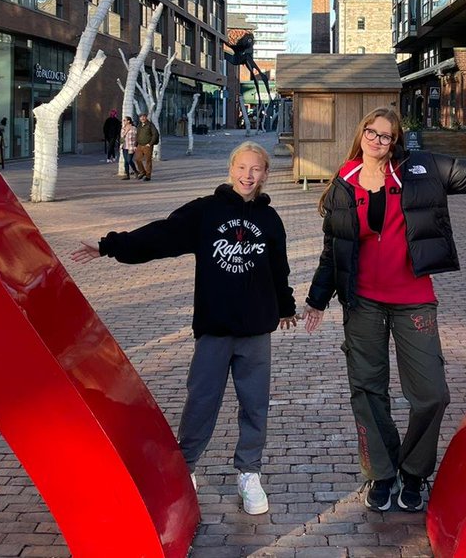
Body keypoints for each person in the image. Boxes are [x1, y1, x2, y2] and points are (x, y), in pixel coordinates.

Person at [303, 107, 466, 514]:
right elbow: (332, 249)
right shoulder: (344, 183)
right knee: (368, 392)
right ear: (361, 133)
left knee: (432, 395)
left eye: (386, 136)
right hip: (362, 302)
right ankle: (381, 474)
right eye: (371, 132)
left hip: (413, 300)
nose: (377, 140)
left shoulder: (421, 170)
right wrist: (317, 299)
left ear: (395, 142)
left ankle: (413, 471)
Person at [69, 142, 297, 515]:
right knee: (201, 400)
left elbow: (278, 268)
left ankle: (249, 472)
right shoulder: (205, 212)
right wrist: (110, 246)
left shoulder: (270, 220)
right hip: (214, 328)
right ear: (231, 168)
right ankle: (184, 467)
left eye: (256, 169)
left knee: (255, 404)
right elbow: (161, 235)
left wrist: (285, 306)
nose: (248, 175)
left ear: (265, 174)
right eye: (242, 167)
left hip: (256, 331)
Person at [134, 112, 160, 182]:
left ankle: (148, 176)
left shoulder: (150, 125)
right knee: (137, 159)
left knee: (148, 161)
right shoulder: (139, 125)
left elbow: (155, 134)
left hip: (147, 146)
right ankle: (142, 172)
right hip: (139, 145)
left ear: (146, 117)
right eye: (141, 117)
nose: (142, 118)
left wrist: (150, 143)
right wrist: (135, 145)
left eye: (143, 117)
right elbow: (137, 135)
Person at [120, 115, 138, 180]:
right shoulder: (123, 128)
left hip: (131, 147)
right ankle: (127, 175)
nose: (123, 121)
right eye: (123, 120)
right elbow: (122, 139)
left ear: (128, 121)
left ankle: (136, 171)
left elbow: (136, 138)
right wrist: (121, 145)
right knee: (126, 161)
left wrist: (135, 145)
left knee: (129, 160)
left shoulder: (133, 128)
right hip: (124, 147)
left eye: (124, 120)